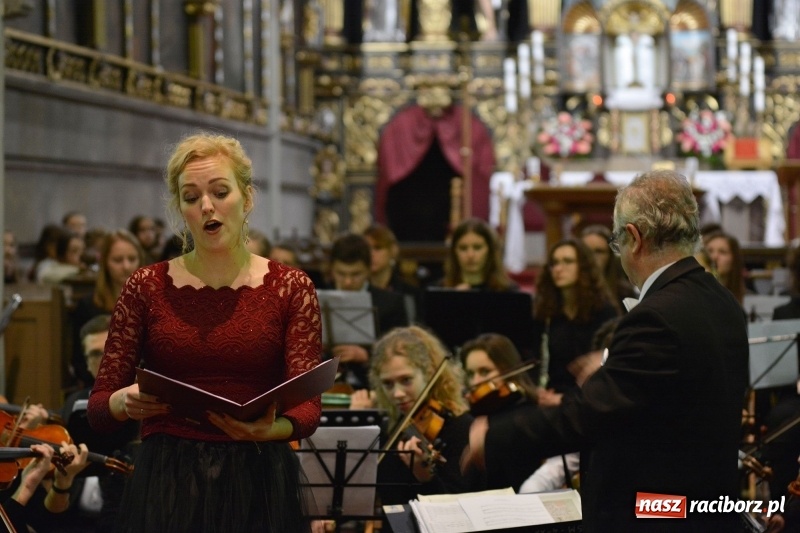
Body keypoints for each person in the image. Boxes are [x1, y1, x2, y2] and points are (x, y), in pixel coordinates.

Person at [464, 170, 749, 531]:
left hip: (657, 513)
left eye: (617, 242)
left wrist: (496, 434)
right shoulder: (722, 301)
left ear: (634, 237)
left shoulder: (657, 316)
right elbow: (670, 396)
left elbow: (589, 416)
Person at [87, 132, 323, 532]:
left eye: (219, 191)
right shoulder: (146, 286)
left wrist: (274, 429)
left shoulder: (291, 286)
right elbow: (98, 408)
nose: (206, 206)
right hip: (169, 476)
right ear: (180, 208)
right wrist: (123, 402)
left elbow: (308, 406)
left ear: (246, 199)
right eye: (191, 197)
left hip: (258, 474)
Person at [350, 326, 485, 506]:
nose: (397, 393)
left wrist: (426, 478)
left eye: (406, 380)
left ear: (428, 374)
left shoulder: (459, 427)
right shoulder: (389, 428)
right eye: (388, 384)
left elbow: (455, 507)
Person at [533, 238, 619, 404]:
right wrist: (538, 390)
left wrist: (564, 400)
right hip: (552, 393)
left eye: (568, 261)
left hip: (591, 398)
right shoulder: (546, 312)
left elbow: (611, 364)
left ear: (584, 268)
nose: (558, 269)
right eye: (554, 263)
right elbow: (535, 360)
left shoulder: (604, 310)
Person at [459, 333, 548, 491]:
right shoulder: (478, 417)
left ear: (507, 368)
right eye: (471, 374)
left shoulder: (526, 413)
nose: (476, 382)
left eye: (485, 372)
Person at [325, 233, 409, 389]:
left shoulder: (391, 302)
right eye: (341, 274)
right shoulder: (316, 298)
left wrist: (366, 356)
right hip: (324, 387)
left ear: (369, 269)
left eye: (356, 274)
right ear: (332, 270)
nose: (348, 282)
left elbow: (402, 353)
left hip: (374, 386)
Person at [71, 230, 145, 388]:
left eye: (132, 259)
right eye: (118, 260)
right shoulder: (88, 306)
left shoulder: (153, 302)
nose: (126, 266)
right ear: (105, 263)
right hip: (99, 387)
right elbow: (79, 361)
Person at [363, 224, 421, 323]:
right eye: (367, 248)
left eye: (377, 248)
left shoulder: (409, 293)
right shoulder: (358, 289)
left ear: (392, 251)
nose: (371, 254)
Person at [440, 218, 516, 292]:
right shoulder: (439, 290)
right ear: (454, 251)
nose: (470, 255)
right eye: (463, 248)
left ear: (490, 250)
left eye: (477, 247)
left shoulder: (509, 291)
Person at [580, 224, 637, 303]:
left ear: (610, 255)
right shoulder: (569, 289)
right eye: (587, 251)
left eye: (599, 251)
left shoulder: (624, 292)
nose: (592, 257)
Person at [705, 230, 746, 305]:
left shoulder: (746, 297)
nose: (714, 257)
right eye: (710, 251)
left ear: (734, 259)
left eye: (722, 252)